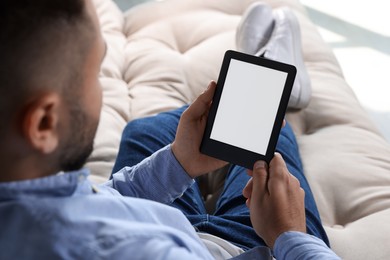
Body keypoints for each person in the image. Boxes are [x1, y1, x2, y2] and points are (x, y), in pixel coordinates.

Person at [0, 0, 340, 259]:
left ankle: (261, 75)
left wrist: (179, 162)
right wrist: (290, 235)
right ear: (44, 123)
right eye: (97, 71)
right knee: (269, 136)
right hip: (246, 245)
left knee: (149, 130)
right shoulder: (139, 249)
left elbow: (97, 202)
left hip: (159, 219)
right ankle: (272, 73)